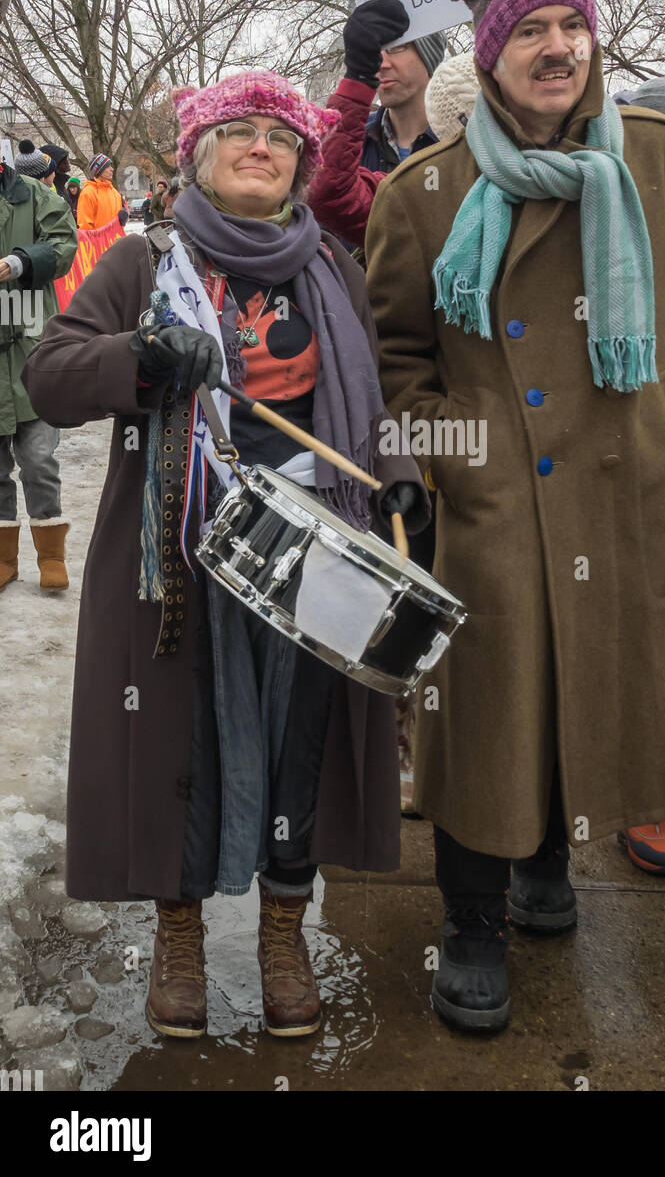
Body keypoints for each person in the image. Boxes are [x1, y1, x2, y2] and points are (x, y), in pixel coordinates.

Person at [365, 0, 665, 1033]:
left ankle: (545, 861)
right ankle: (472, 919)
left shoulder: (657, 157)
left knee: (578, 683)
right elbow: (398, 351)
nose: (556, 48)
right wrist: (453, 459)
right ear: (490, 59)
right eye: (529, 32)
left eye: (570, 28)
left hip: (622, 481)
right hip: (491, 496)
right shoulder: (425, 188)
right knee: (484, 705)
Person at [23, 70, 428, 1041]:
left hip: (320, 556)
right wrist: (146, 359)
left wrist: (400, 473)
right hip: (182, 554)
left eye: (281, 136)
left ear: (300, 161)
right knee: (185, 746)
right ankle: (182, 937)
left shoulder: (330, 265)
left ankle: (284, 930)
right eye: (239, 132)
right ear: (199, 155)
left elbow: (371, 400)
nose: (262, 147)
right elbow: (49, 379)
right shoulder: (140, 261)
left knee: (303, 741)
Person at [307, 0, 445, 250]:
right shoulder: (348, 139)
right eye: (375, 52)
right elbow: (322, 192)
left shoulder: (462, 141)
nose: (381, 63)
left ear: (429, 58)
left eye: (396, 48)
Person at [0, 152, 78, 592]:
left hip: (30, 341)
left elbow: (64, 244)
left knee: (37, 458)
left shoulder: (34, 194)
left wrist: (19, 262)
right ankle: (4, 558)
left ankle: (51, 554)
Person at [76, 153, 123, 230]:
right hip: (98, 241)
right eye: (108, 167)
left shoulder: (114, 192)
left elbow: (119, 223)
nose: (112, 169)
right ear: (99, 171)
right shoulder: (88, 193)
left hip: (117, 240)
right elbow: (85, 226)